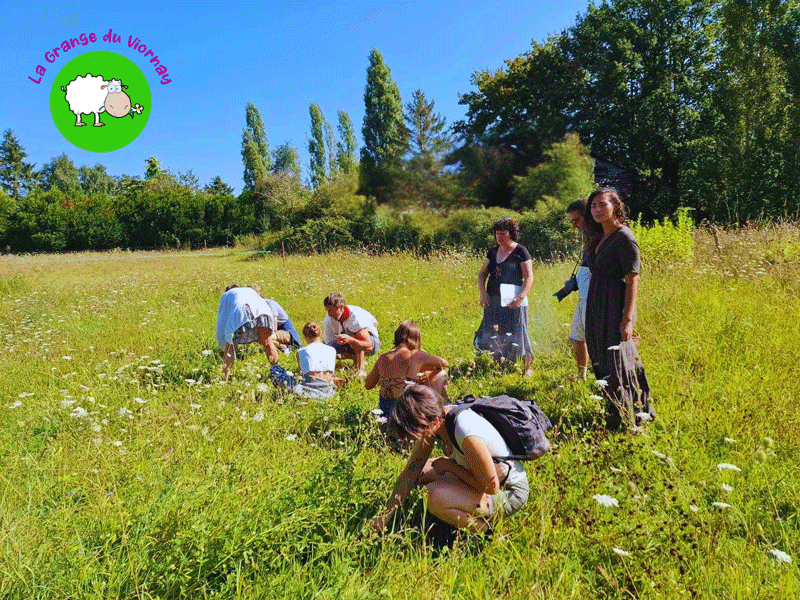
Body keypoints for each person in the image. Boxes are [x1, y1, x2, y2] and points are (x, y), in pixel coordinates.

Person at [371, 384, 528, 535]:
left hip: (507, 492)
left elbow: (490, 487)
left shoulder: (465, 433)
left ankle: (488, 532)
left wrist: (450, 467)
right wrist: (385, 516)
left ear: (435, 422)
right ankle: (455, 506)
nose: (414, 440)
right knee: (422, 472)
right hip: (482, 478)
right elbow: (412, 469)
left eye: (417, 433)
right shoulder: (436, 418)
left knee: (433, 496)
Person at [583, 188, 653, 427]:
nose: (597, 210)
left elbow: (633, 278)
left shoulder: (624, 237)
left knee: (620, 359)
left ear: (616, 207)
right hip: (597, 303)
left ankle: (636, 414)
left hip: (615, 303)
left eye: (602, 204)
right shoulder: (598, 237)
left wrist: (627, 320)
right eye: (593, 206)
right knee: (600, 355)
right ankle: (613, 410)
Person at [475, 218, 534, 376]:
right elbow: (482, 274)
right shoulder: (493, 252)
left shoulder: (521, 251)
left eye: (503, 233)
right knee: (496, 333)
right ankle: (501, 364)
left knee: (519, 332)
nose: (499, 237)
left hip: (514, 301)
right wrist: (483, 293)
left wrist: (520, 297)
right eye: (497, 234)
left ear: (511, 234)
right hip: (492, 299)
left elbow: (529, 277)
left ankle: (527, 366)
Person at [364, 320, 449, 417]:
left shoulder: (382, 358)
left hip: (384, 408)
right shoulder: (416, 354)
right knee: (441, 374)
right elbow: (444, 363)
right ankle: (436, 413)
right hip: (405, 409)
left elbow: (368, 385)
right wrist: (428, 373)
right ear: (416, 338)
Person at [216, 285, 279, 380]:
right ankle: (277, 373)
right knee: (268, 343)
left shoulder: (226, 295)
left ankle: (224, 378)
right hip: (263, 311)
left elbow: (223, 317)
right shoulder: (249, 290)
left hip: (240, 312)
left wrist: (223, 342)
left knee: (231, 347)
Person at [271, 322, 340, 399]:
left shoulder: (301, 351)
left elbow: (302, 373)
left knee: (275, 370)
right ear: (320, 334)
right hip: (328, 391)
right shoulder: (332, 350)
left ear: (305, 337)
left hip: (307, 391)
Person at [322, 293, 381, 379]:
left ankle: (361, 369)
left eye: (330, 310)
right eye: (327, 310)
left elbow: (369, 346)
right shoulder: (328, 319)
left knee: (355, 335)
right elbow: (328, 344)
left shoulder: (355, 318)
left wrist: (351, 340)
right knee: (325, 347)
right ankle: (327, 372)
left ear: (341, 308)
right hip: (349, 342)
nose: (329, 314)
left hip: (372, 343)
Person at [565, 199, 591, 380]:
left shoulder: (602, 237)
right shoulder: (587, 238)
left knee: (595, 341)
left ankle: (604, 381)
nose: (574, 226)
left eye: (577, 220)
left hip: (594, 299)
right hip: (583, 297)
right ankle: (582, 376)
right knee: (576, 338)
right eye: (571, 222)